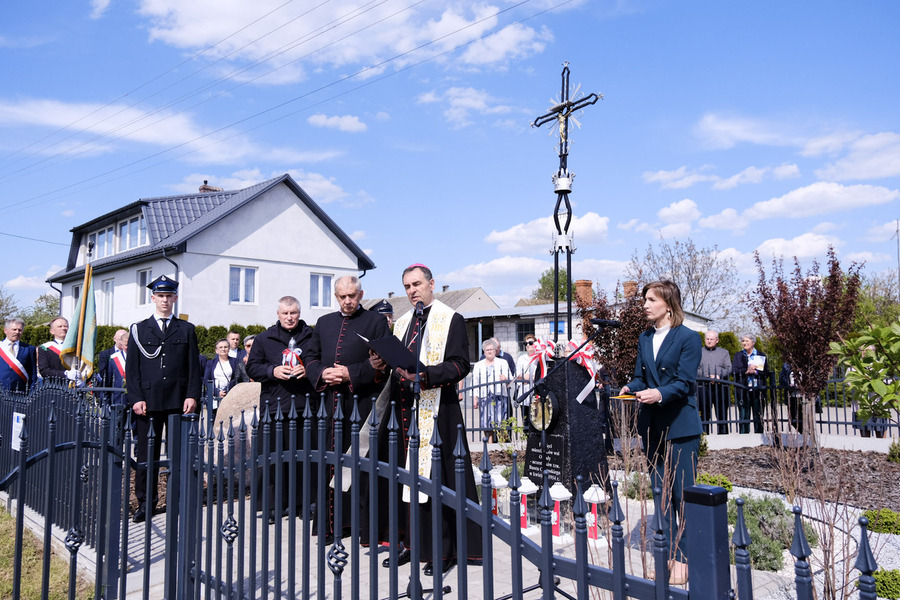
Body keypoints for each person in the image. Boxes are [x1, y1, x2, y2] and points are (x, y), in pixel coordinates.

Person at [368, 264, 481, 576]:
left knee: (436, 482)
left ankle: (441, 550)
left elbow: (461, 365)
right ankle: (407, 543)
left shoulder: (452, 318)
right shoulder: (403, 321)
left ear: (432, 284)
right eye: (407, 286)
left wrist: (428, 374)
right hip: (403, 412)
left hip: (437, 411)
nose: (412, 290)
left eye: (417, 284)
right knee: (402, 480)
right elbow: (394, 364)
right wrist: (381, 361)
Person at [619, 280, 701, 585]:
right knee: (661, 496)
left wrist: (659, 394)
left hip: (680, 426)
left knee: (682, 495)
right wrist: (632, 387)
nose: (645, 304)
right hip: (652, 427)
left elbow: (683, 382)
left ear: (668, 304)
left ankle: (684, 558)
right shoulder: (645, 338)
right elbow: (642, 376)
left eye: (651, 299)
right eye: (645, 299)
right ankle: (665, 555)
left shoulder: (689, 338)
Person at [304, 275, 389, 539]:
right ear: (336, 296)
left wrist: (350, 374)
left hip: (363, 405)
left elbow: (383, 363)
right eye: (342, 296)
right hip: (331, 405)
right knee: (331, 464)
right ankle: (331, 526)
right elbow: (309, 356)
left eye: (352, 295)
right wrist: (322, 372)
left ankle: (363, 528)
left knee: (362, 466)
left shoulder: (376, 322)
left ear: (361, 295)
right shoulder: (324, 322)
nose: (348, 301)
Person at [126, 275, 202, 523]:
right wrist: (136, 398)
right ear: (153, 298)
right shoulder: (138, 329)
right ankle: (146, 504)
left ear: (175, 298)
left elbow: (194, 367)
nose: (165, 301)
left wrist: (192, 394)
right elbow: (132, 369)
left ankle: (177, 500)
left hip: (179, 401)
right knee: (148, 456)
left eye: (169, 296)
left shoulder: (186, 329)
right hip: (148, 403)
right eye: (160, 296)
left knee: (179, 454)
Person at [245, 296, 316, 522]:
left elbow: (320, 362)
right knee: (273, 459)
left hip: (306, 406)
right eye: (285, 313)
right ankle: (274, 505)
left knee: (305, 459)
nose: (289, 317)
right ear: (278, 314)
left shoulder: (312, 336)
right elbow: (252, 368)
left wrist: (309, 370)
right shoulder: (265, 339)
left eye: (293, 312)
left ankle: (306, 504)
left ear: (299, 312)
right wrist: (272, 371)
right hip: (275, 406)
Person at [471, 338, 511, 443]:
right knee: (486, 422)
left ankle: (502, 445)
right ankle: (490, 445)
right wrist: (475, 398)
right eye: (487, 350)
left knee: (501, 421)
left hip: (499, 396)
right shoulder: (478, 365)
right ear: (484, 351)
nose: (489, 351)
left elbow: (510, 380)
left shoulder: (503, 362)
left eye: (491, 349)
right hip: (484, 396)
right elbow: (475, 383)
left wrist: (505, 379)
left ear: (495, 350)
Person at [697, 330, 732, 434]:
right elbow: (695, 368)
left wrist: (718, 375)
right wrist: (706, 376)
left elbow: (729, 368)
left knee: (722, 413)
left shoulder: (724, 352)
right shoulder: (698, 352)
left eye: (711, 339)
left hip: (720, 387)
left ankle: (723, 435)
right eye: (707, 339)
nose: (709, 341)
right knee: (704, 413)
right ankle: (704, 436)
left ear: (717, 340)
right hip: (703, 386)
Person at [732, 333, 767, 434]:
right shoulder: (738, 355)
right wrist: (746, 370)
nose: (744, 343)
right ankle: (744, 437)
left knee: (758, 416)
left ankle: (759, 437)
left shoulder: (760, 355)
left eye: (747, 341)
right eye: (743, 341)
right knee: (743, 416)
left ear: (753, 342)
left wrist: (755, 372)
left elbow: (765, 372)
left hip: (757, 390)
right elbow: (734, 370)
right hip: (743, 390)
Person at [203, 338, 249, 414]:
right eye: (220, 347)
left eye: (225, 347)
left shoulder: (236, 361)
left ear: (229, 349)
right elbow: (206, 379)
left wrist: (226, 390)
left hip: (230, 395)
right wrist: (217, 392)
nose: (223, 349)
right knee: (213, 421)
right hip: (214, 396)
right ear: (216, 350)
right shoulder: (210, 363)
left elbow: (236, 378)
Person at [38, 317, 82, 384]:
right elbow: (44, 371)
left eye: (66, 326)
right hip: (55, 387)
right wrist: (65, 374)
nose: (63, 328)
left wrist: (83, 380)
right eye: (60, 326)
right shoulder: (46, 348)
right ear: (52, 331)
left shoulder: (78, 347)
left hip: (76, 387)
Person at [0, 318, 37, 392]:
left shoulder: (29, 349)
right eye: (14, 329)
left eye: (20, 330)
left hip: (19, 393)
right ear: (5, 330)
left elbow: (33, 374)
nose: (17, 332)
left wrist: (31, 395)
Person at [104, 329, 129, 405]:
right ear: (121, 345)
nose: (128, 347)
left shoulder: (138, 357)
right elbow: (107, 382)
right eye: (126, 345)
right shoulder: (114, 359)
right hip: (118, 400)